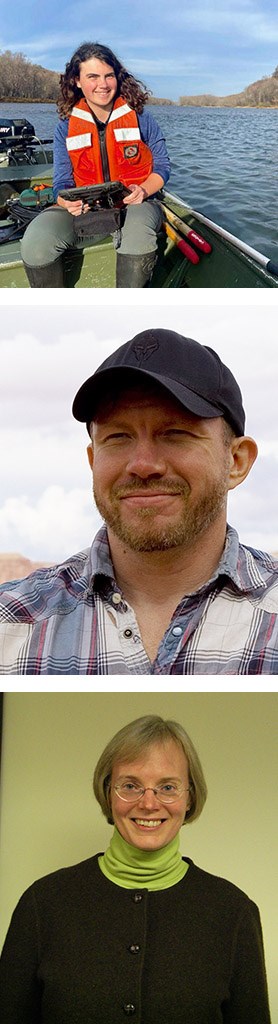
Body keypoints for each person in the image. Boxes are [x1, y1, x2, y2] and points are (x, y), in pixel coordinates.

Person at [0, 326, 278, 675]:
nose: (143, 465)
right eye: (118, 437)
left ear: (236, 462)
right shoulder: (11, 624)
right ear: (93, 460)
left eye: (175, 433)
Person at [0, 714, 271, 1023]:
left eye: (167, 787)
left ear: (190, 798)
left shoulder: (233, 913)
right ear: (107, 793)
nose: (149, 804)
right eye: (130, 785)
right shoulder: (42, 904)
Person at [21, 42, 170, 288]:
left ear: (117, 78)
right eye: (92, 76)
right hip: (88, 211)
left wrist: (143, 190)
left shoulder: (141, 118)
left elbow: (163, 167)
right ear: (77, 81)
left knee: (137, 234)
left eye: (108, 76)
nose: (102, 84)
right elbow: (61, 183)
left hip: (139, 204)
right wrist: (65, 200)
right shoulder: (65, 128)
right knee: (36, 240)